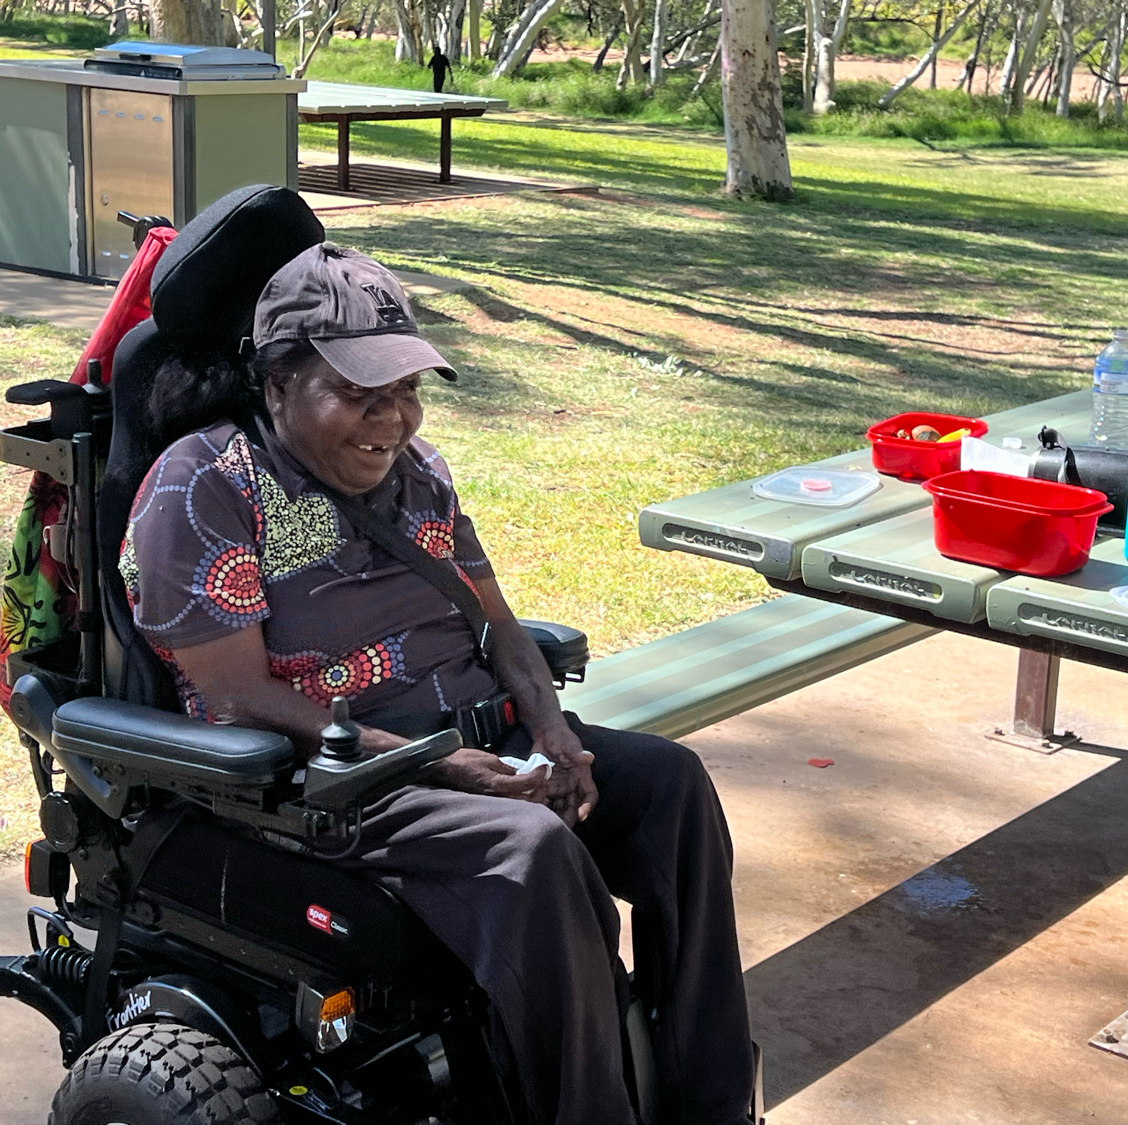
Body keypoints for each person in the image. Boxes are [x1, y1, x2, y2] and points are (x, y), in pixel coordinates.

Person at [119, 242, 756, 1125]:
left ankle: (711, 1101)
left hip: (473, 743)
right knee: (528, 852)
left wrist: (554, 733)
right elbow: (241, 699)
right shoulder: (203, 487)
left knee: (671, 788)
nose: (395, 418)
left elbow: (498, 624)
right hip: (333, 783)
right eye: (359, 393)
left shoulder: (420, 476)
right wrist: (440, 766)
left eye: (407, 390)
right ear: (275, 385)